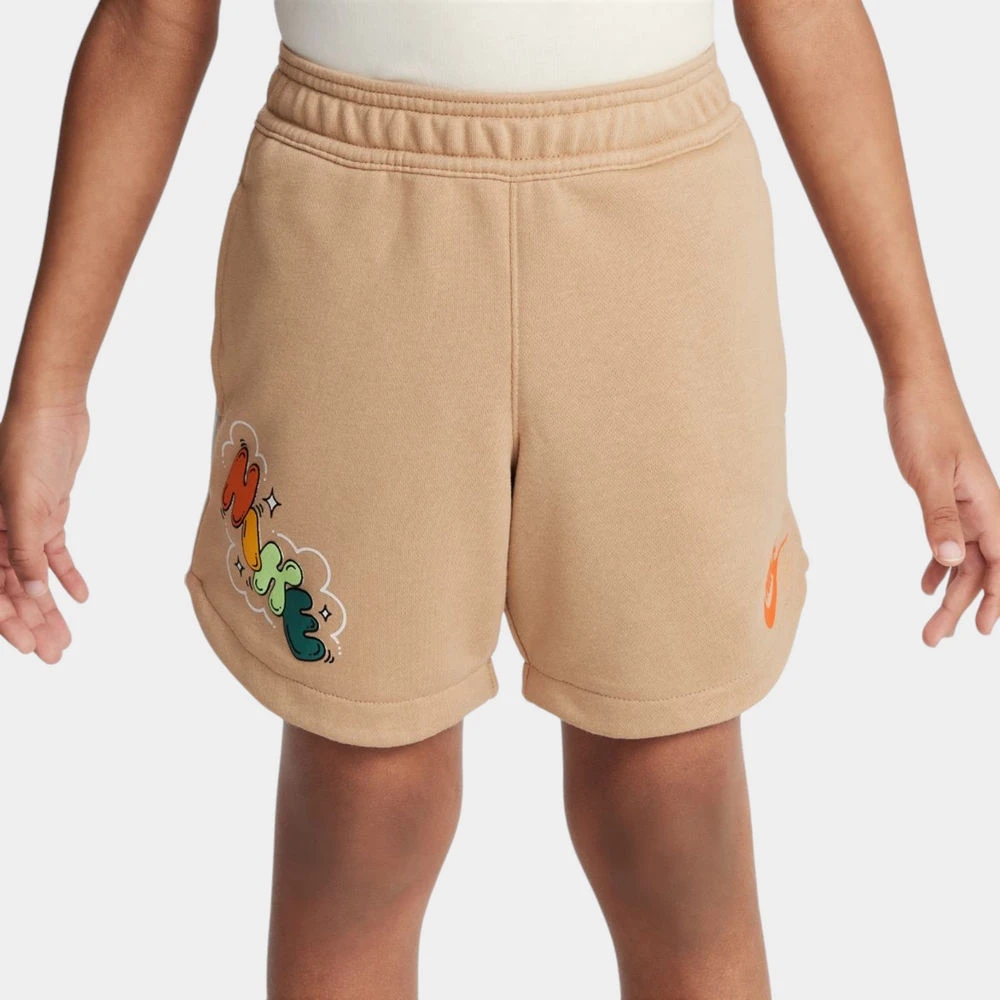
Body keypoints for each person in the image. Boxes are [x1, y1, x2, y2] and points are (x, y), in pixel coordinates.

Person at [1, 1, 997, 998]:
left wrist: (919, 370)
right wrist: (48, 388)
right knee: (365, 807)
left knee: (673, 806)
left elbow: (805, 14)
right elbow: (153, 22)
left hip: (660, 236)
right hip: (352, 229)